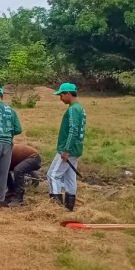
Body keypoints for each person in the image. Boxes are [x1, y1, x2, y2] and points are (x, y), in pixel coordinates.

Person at [48, 83, 87, 211]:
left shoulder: (73, 109)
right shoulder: (80, 108)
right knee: (70, 177)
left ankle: (55, 207)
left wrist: (66, 150)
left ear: (68, 94)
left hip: (68, 149)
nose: (60, 98)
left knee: (53, 175)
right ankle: (69, 207)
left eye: (61, 95)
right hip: (77, 149)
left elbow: (73, 131)